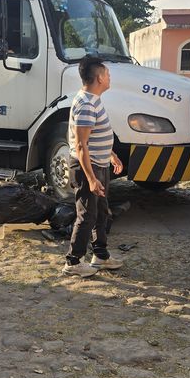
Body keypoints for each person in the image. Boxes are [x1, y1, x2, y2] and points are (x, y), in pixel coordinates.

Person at [63, 56, 125, 277]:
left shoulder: (94, 99)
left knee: (101, 212)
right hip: (86, 168)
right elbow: (81, 145)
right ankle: (73, 262)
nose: (109, 78)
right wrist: (90, 178)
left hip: (99, 165)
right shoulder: (87, 104)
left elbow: (95, 136)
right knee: (87, 214)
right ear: (99, 77)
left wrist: (111, 154)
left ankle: (100, 256)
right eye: (107, 74)